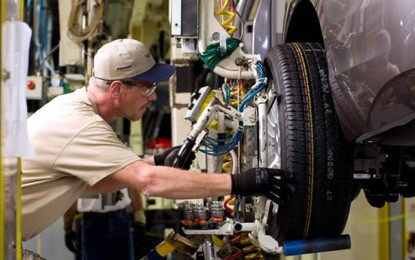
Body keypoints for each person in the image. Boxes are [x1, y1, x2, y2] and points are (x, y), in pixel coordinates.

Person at [21, 38, 293, 242]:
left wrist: (156, 160)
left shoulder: (74, 109)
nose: (152, 97)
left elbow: (98, 182)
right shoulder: (81, 124)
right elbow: (147, 183)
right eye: (147, 87)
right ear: (117, 89)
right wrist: (240, 183)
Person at [63, 188, 145, 260]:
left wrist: (139, 215)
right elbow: (72, 191)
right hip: (93, 223)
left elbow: (131, 181)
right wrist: (68, 227)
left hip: (119, 219)